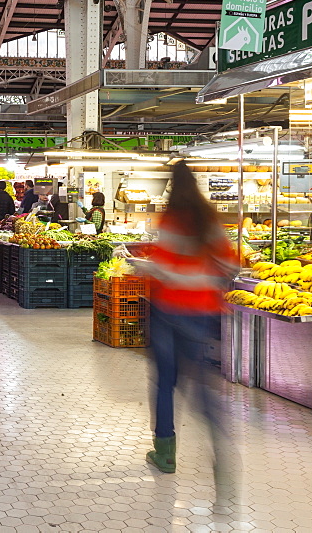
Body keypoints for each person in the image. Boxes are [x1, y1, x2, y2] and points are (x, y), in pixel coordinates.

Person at [132, 163, 239, 491]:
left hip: (169, 310)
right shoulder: (210, 219)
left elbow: (165, 267)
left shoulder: (172, 219)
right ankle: (223, 451)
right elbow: (231, 264)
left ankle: (165, 453)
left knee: (166, 381)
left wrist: (144, 268)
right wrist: (206, 279)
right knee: (203, 385)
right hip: (202, 311)